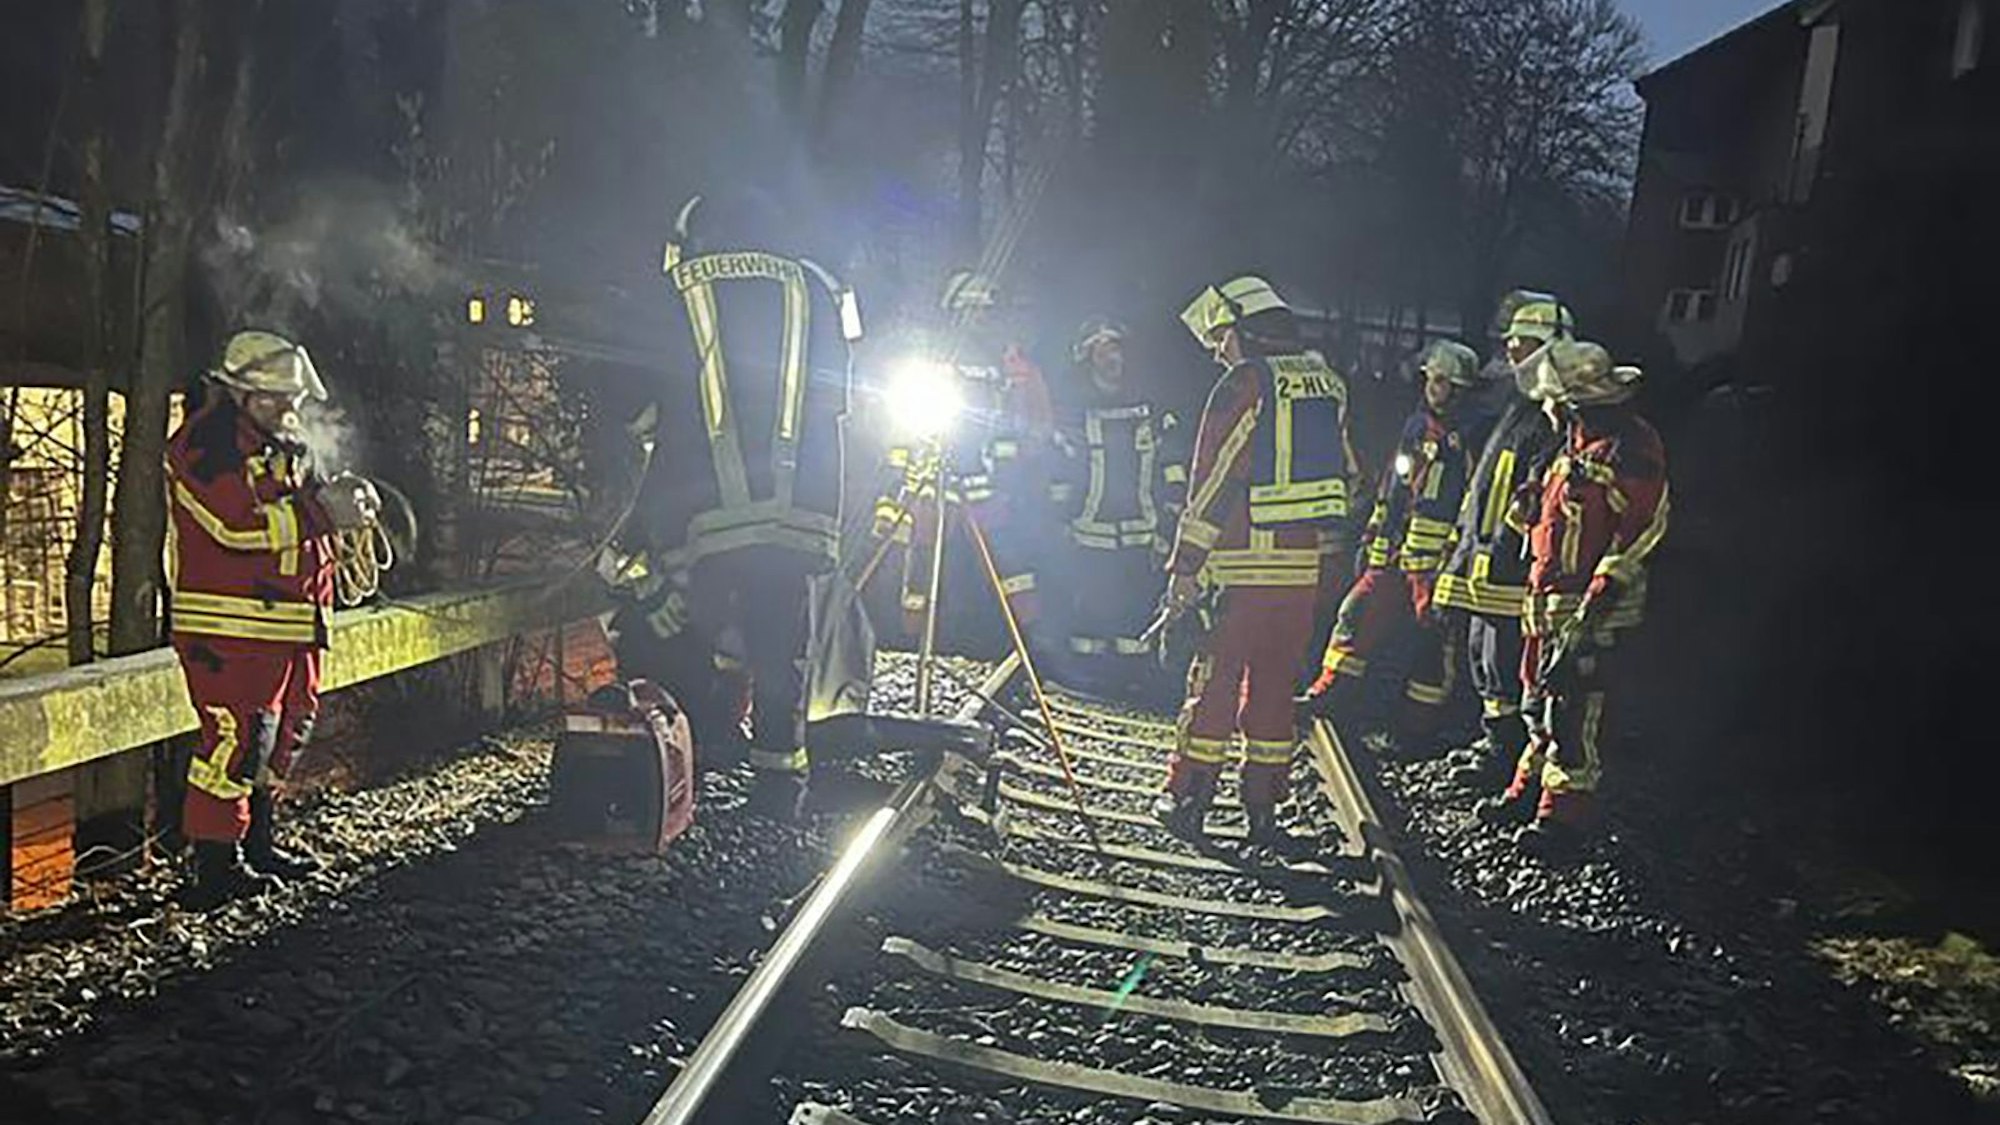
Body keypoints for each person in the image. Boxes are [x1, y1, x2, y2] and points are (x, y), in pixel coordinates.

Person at [632, 197, 860, 819]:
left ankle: (685, 774)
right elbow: (840, 399)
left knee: (696, 633)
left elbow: (642, 405)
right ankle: (778, 788)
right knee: (782, 645)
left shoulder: (679, 291)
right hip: (799, 513)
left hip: (707, 514)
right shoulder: (814, 289)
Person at [167, 330, 378, 909]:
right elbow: (235, 526)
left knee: (282, 737)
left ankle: (259, 845)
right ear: (238, 393)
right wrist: (320, 513)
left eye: (293, 400)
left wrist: (341, 501)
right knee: (234, 744)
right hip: (231, 633)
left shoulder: (284, 449)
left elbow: (305, 518)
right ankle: (215, 869)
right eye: (275, 400)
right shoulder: (202, 448)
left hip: (290, 630)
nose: (290, 411)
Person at [1155, 276, 1359, 846]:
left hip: (1238, 572)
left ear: (1246, 329)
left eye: (1222, 336)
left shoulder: (1246, 383)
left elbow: (1215, 479)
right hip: (1300, 575)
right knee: (1273, 689)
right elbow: (1349, 476)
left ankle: (1188, 799)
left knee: (1215, 683)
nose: (1219, 349)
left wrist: (1185, 564)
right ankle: (1263, 810)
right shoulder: (1328, 384)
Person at [1478, 339, 1670, 863]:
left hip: (1592, 616)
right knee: (1538, 706)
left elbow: (1637, 535)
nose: (1546, 408)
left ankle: (1563, 821)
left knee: (1574, 715)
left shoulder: (1631, 449)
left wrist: (1592, 614)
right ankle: (1527, 792)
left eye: (1553, 400)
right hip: (1546, 610)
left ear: (1576, 401)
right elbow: (1548, 515)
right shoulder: (1570, 445)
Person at [1307, 338, 1481, 753]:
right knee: (1356, 611)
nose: (1432, 387)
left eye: (1441, 381)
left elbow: (1475, 499)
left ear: (1459, 388)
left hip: (1437, 564)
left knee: (1432, 645)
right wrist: (1374, 534)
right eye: (1429, 379)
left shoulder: (1474, 434)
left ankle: (1414, 731)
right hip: (1394, 551)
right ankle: (1329, 696)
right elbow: (1393, 484)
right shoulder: (1416, 426)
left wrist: (1455, 558)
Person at [1436, 293, 1575, 788]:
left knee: (1504, 656)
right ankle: (1492, 741)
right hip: (1485, 558)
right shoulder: (1520, 405)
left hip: (1512, 566)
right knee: (1482, 649)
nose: (1511, 354)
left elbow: (1535, 492)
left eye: (1521, 345)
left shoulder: (1554, 413)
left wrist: (1506, 543)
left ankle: (1507, 752)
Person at [1048, 317, 1187, 699]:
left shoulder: (1151, 405)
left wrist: (1172, 514)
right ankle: (1089, 677)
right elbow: (1062, 468)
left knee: (1136, 607)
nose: (1112, 357)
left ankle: (1135, 678)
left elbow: (1171, 462)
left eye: (1115, 347)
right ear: (1087, 356)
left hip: (1141, 529)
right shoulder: (1074, 410)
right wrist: (1062, 519)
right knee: (1089, 607)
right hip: (1089, 528)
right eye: (1102, 348)